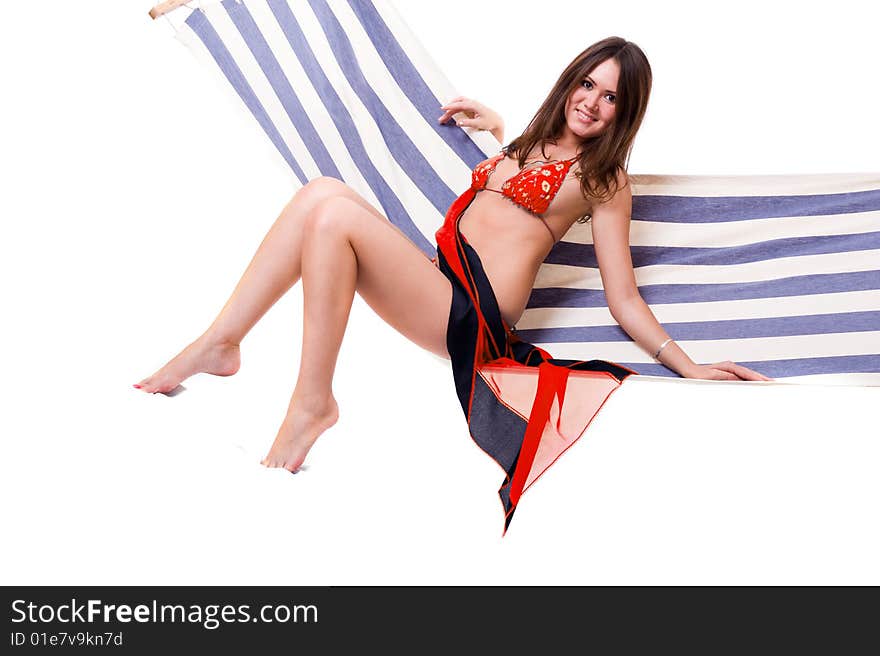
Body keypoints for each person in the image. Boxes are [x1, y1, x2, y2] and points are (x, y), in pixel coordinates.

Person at [134, 37, 770, 523]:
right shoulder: (528, 141)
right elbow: (510, 187)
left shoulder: (605, 182)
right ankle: (220, 342)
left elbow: (623, 296)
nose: (592, 102)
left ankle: (311, 403)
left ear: (624, 114)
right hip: (442, 280)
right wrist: (498, 127)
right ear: (569, 83)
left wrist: (688, 367)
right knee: (321, 192)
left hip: (472, 319)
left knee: (330, 215)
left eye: (610, 98)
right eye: (586, 84)